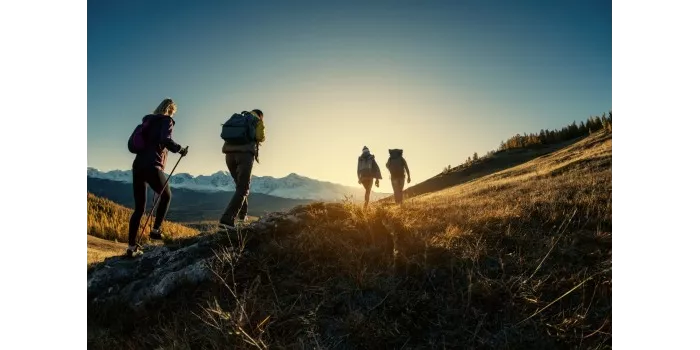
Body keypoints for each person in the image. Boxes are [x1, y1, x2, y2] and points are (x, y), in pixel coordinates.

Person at [126, 98, 189, 257]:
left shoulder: (146, 122)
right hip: (152, 164)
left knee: (139, 208)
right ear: (170, 109)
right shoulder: (166, 120)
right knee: (166, 195)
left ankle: (131, 247)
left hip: (138, 165)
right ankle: (155, 230)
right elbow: (165, 140)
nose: (173, 114)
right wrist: (180, 149)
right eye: (173, 112)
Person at [219, 109, 266, 229]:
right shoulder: (257, 121)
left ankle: (242, 216)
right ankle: (227, 220)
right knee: (243, 188)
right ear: (260, 116)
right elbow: (260, 137)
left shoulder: (239, 118)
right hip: (244, 156)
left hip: (229, 156)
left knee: (240, 187)